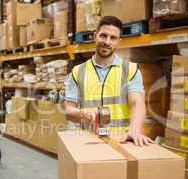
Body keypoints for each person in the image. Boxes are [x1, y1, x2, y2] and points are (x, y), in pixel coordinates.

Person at [65, 16, 154, 146]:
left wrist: (134, 130)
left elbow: (137, 103)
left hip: (121, 140)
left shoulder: (130, 70)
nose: (107, 41)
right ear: (95, 36)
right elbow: (68, 110)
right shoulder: (78, 72)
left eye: (113, 38)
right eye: (103, 35)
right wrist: (83, 114)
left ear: (119, 41)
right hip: (88, 141)